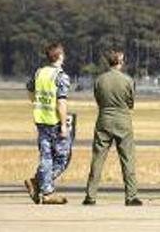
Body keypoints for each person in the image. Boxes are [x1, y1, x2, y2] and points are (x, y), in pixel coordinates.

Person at [83, 49, 142, 206]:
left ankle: (90, 195)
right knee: (127, 158)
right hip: (123, 120)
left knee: (98, 159)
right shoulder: (128, 80)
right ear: (120, 61)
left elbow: (98, 99)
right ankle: (131, 196)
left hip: (104, 119)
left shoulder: (99, 80)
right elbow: (131, 102)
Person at [24, 42, 72, 205]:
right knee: (62, 158)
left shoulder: (39, 73)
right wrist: (64, 125)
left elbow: (30, 89)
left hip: (40, 119)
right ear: (59, 56)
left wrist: (36, 102)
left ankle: (39, 184)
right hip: (55, 121)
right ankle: (45, 189)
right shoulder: (60, 76)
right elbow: (61, 102)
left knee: (46, 156)